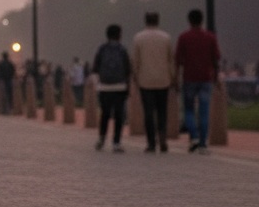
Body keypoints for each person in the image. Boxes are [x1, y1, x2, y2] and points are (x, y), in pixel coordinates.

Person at [175, 8, 222, 154]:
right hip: (206, 78)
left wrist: (176, 77)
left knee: (188, 110)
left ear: (189, 21)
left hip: (189, 77)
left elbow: (177, 60)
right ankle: (203, 143)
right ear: (202, 20)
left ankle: (194, 136)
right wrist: (216, 76)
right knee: (204, 111)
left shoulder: (184, 37)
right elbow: (216, 59)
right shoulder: (210, 37)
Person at [131, 12, 176, 153]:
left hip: (145, 80)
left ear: (145, 21)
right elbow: (171, 60)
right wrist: (173, 77)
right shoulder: (166, 38)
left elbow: (136, 61)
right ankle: (162, 138)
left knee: (148, 113)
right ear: (158, 21)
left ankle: (151, 142)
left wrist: (135, 76)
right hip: (163, 79)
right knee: (162, 112)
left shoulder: (138, 38)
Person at [92, 24, 131, 152]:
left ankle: (102, 139)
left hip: (104, 87)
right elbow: (128, 69)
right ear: (119, 35)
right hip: (120, 87)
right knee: (119, 115)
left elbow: (95, 68)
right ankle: (116, 142)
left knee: (105, 114)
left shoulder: (102, 49)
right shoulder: (122, 49)